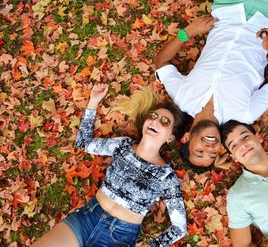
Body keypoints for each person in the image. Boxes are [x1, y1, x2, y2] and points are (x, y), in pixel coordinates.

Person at [154, 0, 268, 169]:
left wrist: (188, 32)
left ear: (186, 138)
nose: (209, 147)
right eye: (212, 153)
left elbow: (161, 64)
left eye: (200, 151)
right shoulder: (243, 115)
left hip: (228, 8)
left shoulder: (182, 98)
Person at [33, 84, 187, 247]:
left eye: (164, 121)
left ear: (170, 137)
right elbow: (84, 143)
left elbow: (179, 228)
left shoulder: (166, 176)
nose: (155, 121)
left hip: (119, 238)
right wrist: (93, 101)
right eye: (153, 116)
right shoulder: (123, 145)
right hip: (86, 219)